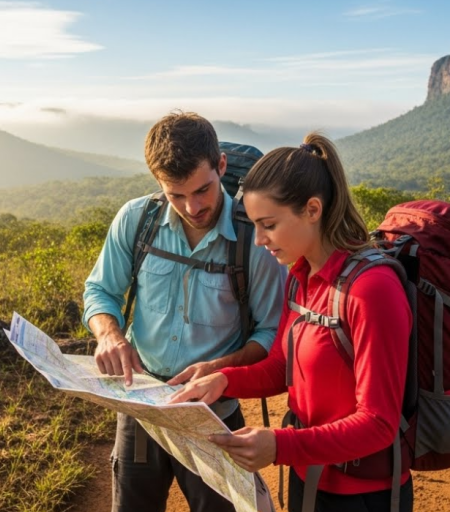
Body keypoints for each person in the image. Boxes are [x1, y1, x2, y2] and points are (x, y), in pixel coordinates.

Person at [169, 133, 413, 512]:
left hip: (363, 495)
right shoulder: (300, 277)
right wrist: (224, 379)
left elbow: (379, 423)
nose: (260, 239)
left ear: (312, 210)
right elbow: (282, 367)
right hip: (306, 477)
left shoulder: (372, 290)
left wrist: (280, 446)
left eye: (268, 224)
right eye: (254, 225)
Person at [82, 111, 287, 512]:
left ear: (221, 166)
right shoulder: (137, 219)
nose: (192, 207)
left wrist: (220, 369)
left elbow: (270, 332)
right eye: (176, 195)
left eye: (202, 190)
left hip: (214, 416)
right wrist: (109, 334)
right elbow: (100, 290)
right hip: (142, 407)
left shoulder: (254, 240)